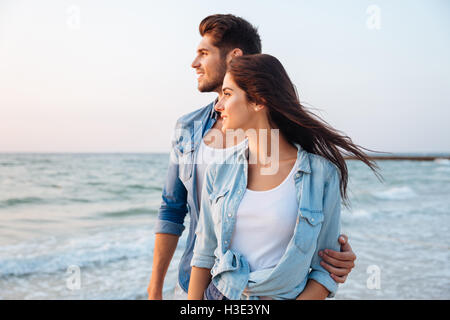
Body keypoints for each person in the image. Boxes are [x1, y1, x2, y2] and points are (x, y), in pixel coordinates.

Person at [147, 14, 357, 300]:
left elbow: (314, 245)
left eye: (203, 53)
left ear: (235, 58)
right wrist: (155, 286)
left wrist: (332, 259)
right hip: (198, 286)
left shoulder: (311, 167)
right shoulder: (190, 129)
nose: (194, 63)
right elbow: (173, 211)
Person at [188, 54, 379, 300]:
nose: (218, 106)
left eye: (227, 93)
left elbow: (325, 270)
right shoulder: (219, 170)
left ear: (258, 101)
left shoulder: (321, 175)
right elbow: (203, 256)